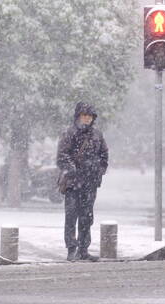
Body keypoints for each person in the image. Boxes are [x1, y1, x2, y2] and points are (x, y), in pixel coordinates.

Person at [56, 102, 108, 261]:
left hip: (90, 183)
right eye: (84, 115)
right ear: (78, 116)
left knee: (87, 216)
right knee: (71, 216)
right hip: (73, 183)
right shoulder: (69, 133)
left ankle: (84, 248)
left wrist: (98, 171)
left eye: (90, 116)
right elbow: (62, 156)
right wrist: (73, 169)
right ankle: (72, 249)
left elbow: (104, 155)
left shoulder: (97, 135)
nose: (87, 119)